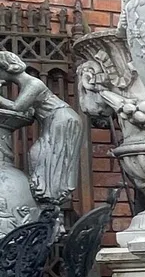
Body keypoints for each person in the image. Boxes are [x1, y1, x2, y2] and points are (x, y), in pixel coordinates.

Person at [0, 51, 83, 206]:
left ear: (7, 69)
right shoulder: (27, 84)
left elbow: (17, 107)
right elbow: (28, 109)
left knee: (47, 156)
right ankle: (47, 198)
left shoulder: (34, 84)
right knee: (41, 156)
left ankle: (51, 197)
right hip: (55, 120)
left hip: (61, 119)